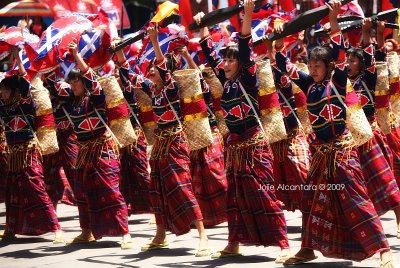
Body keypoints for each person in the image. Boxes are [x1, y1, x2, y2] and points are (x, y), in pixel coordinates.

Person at [274, 1, 394, 266]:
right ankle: (307, 249)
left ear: (328, 66)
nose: (313, 68)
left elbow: (340, 54)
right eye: (311, 64)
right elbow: (286, 69)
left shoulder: (338, 82)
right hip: (321, 154)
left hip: (342, 152)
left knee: (356, 198)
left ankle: (384, 249)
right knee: (311, 200)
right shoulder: (309, 86)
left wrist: (334, 17)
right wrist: (280, 47)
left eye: (317, 65)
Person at [196, 0, 290, 262]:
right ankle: (234, 242)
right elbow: (206, 51)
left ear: (239, 63)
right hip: (234, 147)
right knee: (235, 197)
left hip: (254, 144)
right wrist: (203, 25)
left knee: (264, 193)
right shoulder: (225, 81)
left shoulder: (248, 77)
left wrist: (246, 14)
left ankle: (283, 244)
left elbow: (246, 46)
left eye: (229, 60)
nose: (224, 63)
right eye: (224, 59)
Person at [115, 28, 210, 257]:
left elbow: (161, 63)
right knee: (157, 189)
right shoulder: (151, 89)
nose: (150, 72)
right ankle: (160, 235)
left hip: (176, 142)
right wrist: (119, 51)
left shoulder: (169, 88)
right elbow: (127, 73)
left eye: (154, 69)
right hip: (159, 145)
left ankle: (203, 237)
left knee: (182, 187)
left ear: (163, 71)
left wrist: (155, 41)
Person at [49, 40, 132, 248]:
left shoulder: (95, 97)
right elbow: (52, 84)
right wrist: (45, 60)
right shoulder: (71, 101)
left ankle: (125, 234)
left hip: (103, 148)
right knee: (82, 191)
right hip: (84, 152)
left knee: (111, 190)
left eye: (77, 81)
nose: (73, 85)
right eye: (72, 82)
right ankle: (87, 231)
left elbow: (92, 80)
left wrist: (76, 55)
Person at [0, 47, 62, 243]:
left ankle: (56, 228)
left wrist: (17, 57)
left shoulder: (25, 103)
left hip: (29, 151)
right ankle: (11, 229)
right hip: (13, 154)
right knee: (13, 191)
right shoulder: (3, 108)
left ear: (14, 92)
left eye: (4, 89)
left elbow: (23, 79)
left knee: (36, 187)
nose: (1, 92)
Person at [347, 19, 400, 235]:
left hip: (370, 137)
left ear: (361, 64)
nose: (349, 63)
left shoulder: (368, 78)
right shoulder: (342, 82)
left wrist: (370, 32)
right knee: (355, 186)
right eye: (347, 60)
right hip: (349, 141)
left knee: (385, 181)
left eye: (353, 60)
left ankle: (399, 221)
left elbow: (372, 56)